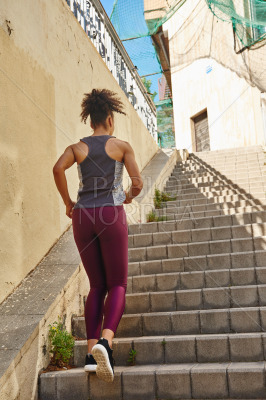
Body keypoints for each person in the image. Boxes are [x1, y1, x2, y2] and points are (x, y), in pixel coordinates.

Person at [52, 88, 143, 383]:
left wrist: (68, 202)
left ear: (91, 121)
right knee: (117, 284)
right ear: (109, 118)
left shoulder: (77, 148)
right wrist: (127, 196)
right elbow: (138, 183)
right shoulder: (121, 146)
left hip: (82, 218)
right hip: (110, 215)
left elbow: (57, 168)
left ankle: (91, 355)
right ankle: (106, 342)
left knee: (96, 286)